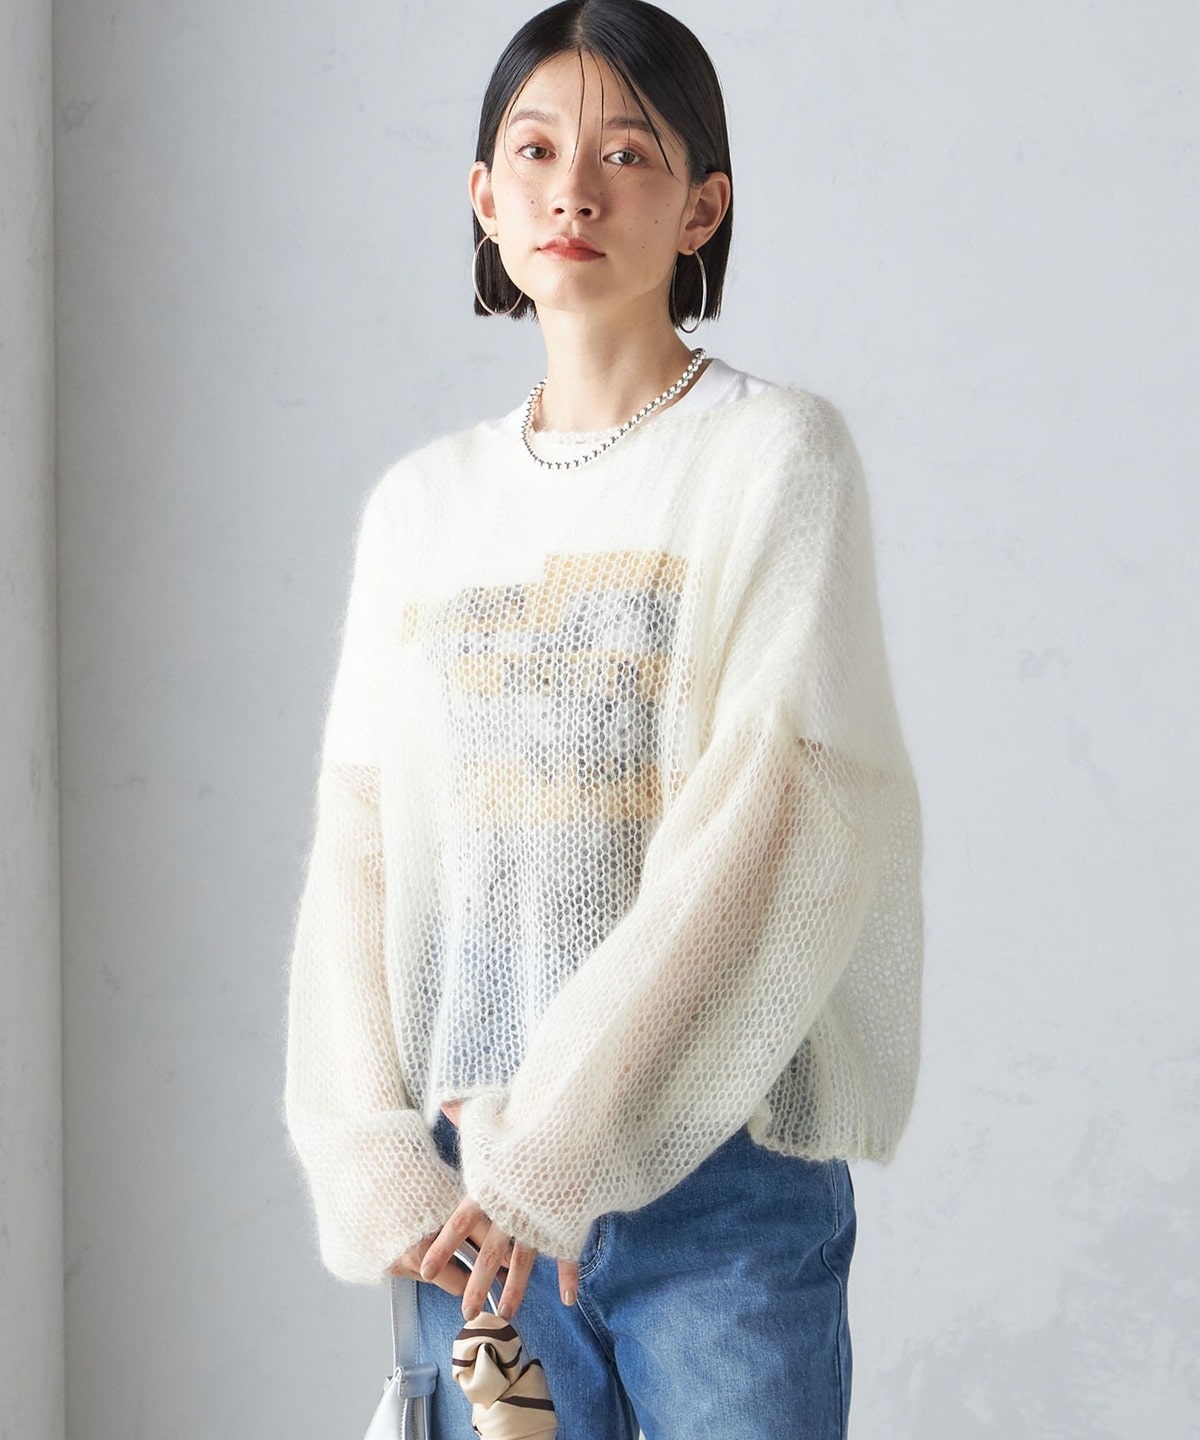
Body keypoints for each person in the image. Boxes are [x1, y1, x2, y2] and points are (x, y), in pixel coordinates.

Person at [282, 2, 924, 1436]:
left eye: (629, 153)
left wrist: (558, 1150)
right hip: (467, 1201)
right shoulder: (422, 508)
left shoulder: (772, 458)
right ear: (484, 196)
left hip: (715, 1183)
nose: (574, 188)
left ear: (703, 206)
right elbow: (363, 849)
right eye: (535, 150)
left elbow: (769, 821)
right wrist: (376, 1157)